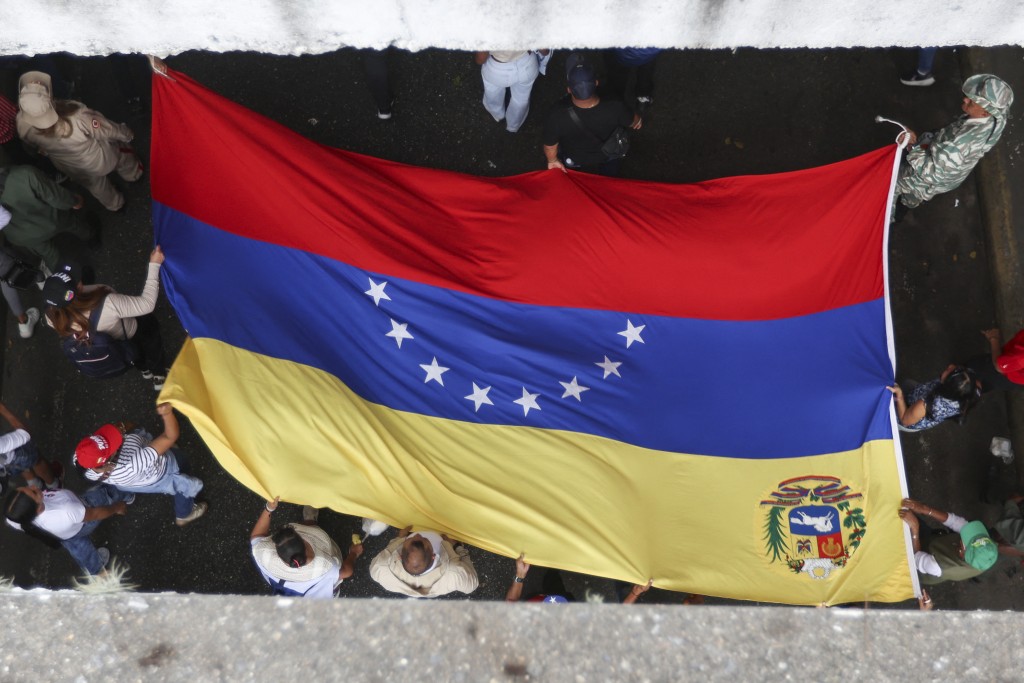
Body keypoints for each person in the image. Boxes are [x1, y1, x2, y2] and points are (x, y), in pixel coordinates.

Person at [43, 247, 170, 390]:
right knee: (151, 344)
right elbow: (147, 304)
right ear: (78, 290)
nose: (80, 279)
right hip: (133, 330)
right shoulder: (108, 304)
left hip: (115, 345)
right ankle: (159, 374)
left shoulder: (50, 316)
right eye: (76, 280)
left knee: (133, 353)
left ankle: (144, 370)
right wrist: (154, 265)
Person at [16, 71, 143, 211]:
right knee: (123, 155)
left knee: (97, 187)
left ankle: (116, 205)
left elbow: (34, 148)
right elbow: (106, 129)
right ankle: (133, 175)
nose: (38, 83)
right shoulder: (77, 116)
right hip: (99, 158)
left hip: (69, 166)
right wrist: (126, 134)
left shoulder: (22, 124)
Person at [893, 74, 1013, 217]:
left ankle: (892, 217)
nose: (965, 99)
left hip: (925, 177)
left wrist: (911, 145)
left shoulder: (959, 145)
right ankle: (906, 203)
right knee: (911, 197)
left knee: (893, 187)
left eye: (972, 102)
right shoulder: (995, 116)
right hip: (947, 166)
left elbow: (932, 173)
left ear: (985, 112)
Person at [73, 403, 207, 527]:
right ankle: (184, 514)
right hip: (164, 471)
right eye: (111, 445)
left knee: (166, 450)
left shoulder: (81, 459)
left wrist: (122, 429)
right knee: (182, 475)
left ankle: (161, 449)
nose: (116, 434)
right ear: (105, 463)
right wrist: (167, 414)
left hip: (136, 478)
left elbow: (119, 430)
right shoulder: (131, 465)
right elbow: (170, 436)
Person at [542, 54, 642, 177]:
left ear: (569, 89)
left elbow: (550, 146)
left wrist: (552, 161)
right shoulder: (615, 106)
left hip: (574, 158)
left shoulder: (556, 115)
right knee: (609, 176)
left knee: (575, 179)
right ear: (596, 83)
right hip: (608, 153)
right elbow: (634, 122)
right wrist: (638, 121)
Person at [4, 482, 132, 575]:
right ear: (37, 509)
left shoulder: (16, 518)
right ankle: (127, 494)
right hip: (83, 518)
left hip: (65, 537)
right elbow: (95, 514)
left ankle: (99, 572)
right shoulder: (66, 511)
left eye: (27, 487)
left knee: (84, 554)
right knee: (107, 493)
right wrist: (117, 508)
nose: (33, 486)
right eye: (33, 492)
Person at [250, 496, 363, 598]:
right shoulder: (325, 566)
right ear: (306, 545)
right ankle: (310, 521)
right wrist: (354, 553)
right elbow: (347, 571)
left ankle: (310, 520)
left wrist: (268, 508)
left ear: (278, 554)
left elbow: (256, 536)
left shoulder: (264, 555)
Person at [0, 164, 97, 273]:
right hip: (51, 220)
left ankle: (66, 282)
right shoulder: (23, 175)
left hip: (21, 236)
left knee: (50, 255)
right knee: (72, 223)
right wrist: (74, 201)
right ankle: (92, 239)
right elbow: (56, 197)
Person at [899, 497, 998, 585]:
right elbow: (956, 522)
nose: (968, 532)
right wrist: (925, 509)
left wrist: (915, 528)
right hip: (934, 542)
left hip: (917, 564)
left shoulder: (943, 567)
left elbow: (916, 559)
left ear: (962, 553)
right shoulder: (986, 550)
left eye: (966, 539)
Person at [369, 525, 479, 598]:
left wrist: (399, 539)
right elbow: (472, 586)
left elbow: (387, 553)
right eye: (425, 539)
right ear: (433, 556)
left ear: (400, 556)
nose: (417, 534)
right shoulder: (455, 573)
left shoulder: (380, 567)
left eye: (410, 539)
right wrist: (458, 547)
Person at [475, 49, 550, 134]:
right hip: (527, 63)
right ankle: (513, 125)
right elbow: (544, 50)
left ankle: (497, 114)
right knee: (521, 98)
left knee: (493, 91)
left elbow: (480, 59)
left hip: (497, 68)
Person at [888, 364, 981, 432]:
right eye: (958, 369)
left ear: (947, 387)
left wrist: (899, 396)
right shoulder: (967, 391)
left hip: (907, 413)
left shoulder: (926, 405)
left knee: (887, 414)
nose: (951, 366)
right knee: (907, 384)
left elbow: (905, 419)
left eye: (951, 372)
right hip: (915, 396)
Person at [0, 401, 59, 491]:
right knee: (36, 460)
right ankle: (53, 485)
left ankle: (36, 486)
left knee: (17, 467)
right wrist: (2, 408)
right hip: (13, 454)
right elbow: (24, 434)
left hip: (4, 468)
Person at [965, 328, 1024, 393]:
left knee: (973, 368)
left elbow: (998, 366)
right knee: (986, 385)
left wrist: (994, 339)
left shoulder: (1021, 358)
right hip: (1013, 377)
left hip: (1003, 373)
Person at [603, 48, 662, 112]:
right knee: (646, 69)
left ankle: (616, 103)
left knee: (618, 75)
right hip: (647, 51)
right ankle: (643, 99)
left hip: (620, 51)